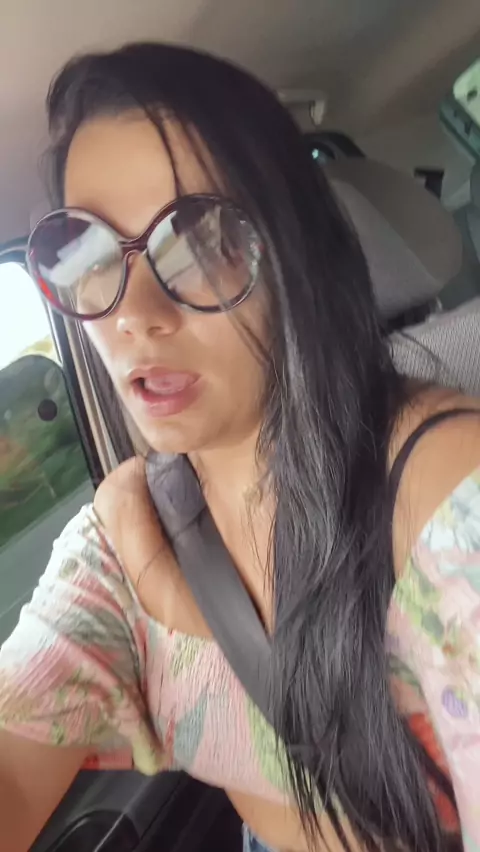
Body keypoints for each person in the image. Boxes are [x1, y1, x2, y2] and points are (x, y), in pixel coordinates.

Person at [0, 42, 479, 852]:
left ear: (297, 254)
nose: (135, 314)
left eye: (203, 239)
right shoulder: (119, 544)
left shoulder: (443, 491)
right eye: (83, 251)